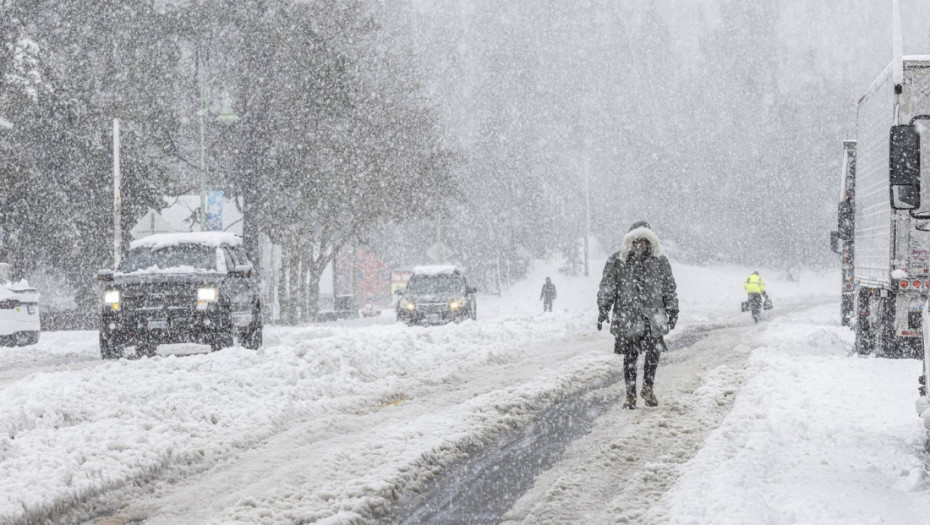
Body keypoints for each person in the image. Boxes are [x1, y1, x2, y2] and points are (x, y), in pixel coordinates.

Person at [597, 221, 678, 409]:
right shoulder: (617, 261)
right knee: (630, 356)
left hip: (652, 317)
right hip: (628, 317)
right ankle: (630, 395)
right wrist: (603, 308)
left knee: (653, 352)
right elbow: (608, 286)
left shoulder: (660, 262)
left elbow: (669, 288)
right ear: (630, 241)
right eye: (636, 240)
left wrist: (672, 309)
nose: (640, 244)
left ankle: (648, 387)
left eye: (644, 241)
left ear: (650, 242)